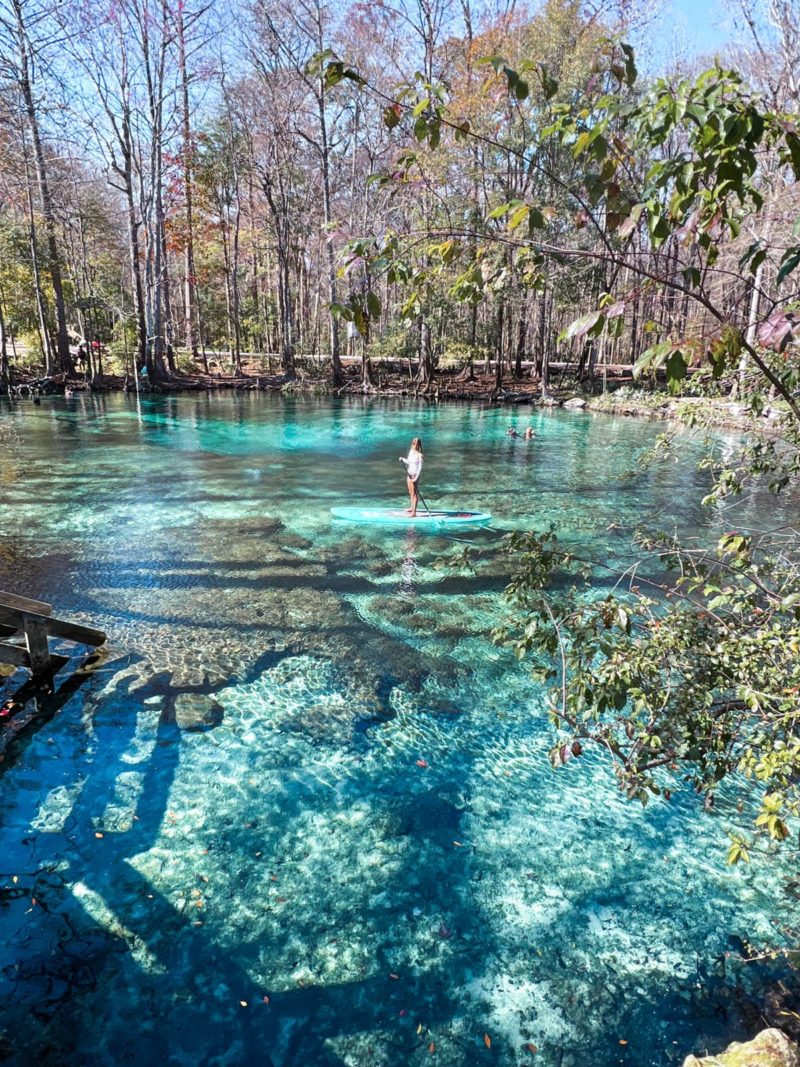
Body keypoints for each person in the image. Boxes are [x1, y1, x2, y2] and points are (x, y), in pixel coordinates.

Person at [400, 436, 424, 516]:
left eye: (416, 443)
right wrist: (403, 459)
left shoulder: (420, 455)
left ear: (418, 445)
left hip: (414, 475)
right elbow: (409, 462)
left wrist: (416, 478)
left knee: (414, 494)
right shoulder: (411, 452)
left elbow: (420, 468)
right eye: (413, 442)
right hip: (409, 473)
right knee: (410, 492)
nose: (414, 444)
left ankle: (414, 512)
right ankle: (411, 508)